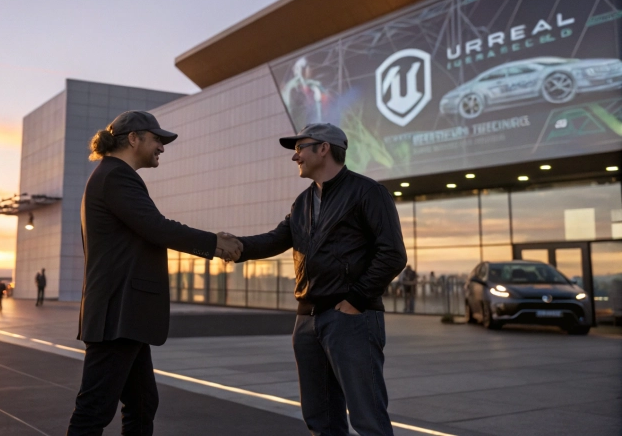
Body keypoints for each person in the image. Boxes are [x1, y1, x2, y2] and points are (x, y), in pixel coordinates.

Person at [67, 110, 242, 435]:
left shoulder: (112, 175)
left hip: (125, 315)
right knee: (94, 410)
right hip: (116, 316)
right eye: (157, 139)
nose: (161, 146)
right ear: (133, 138)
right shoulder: (116, 176)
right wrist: (214, 242)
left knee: (143, 403)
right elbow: (155, 227)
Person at [234, 123, 406, 436]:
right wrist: (229, 247)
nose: (295, 157)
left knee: (368, 419)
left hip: (351, 318)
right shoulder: (302, 203)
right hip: (307, 321)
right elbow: (273, 240)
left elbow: (392, 254)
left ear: (324, 148)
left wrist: (356, 300)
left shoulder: (368, 192)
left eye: (300, 148)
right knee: (320, 419)